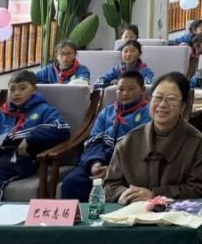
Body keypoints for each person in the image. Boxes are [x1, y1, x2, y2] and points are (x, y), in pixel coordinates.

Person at [104, 72, 202, 203]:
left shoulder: (198, 144)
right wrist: (125, 194)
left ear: (183, 105)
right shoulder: (128, 141)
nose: (162, 104)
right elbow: (110, 185)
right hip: (135, 212)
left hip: (178, 214)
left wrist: (155, 195)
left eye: (171, 99)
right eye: (158, 97)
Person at [0, 71, 70, 201]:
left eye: (23, 88)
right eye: (12, 89)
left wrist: (30, 139)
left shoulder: (44, 110)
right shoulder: (1, 113)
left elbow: (61, 129)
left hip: (20, 161)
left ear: (34, 90)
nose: (16, 93)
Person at [61, 71, 151, 201]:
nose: (125, 93)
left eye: (131, 89)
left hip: (128, 167)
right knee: (72, 182)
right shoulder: (106, 112)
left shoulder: (147, 114)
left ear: (142, 90)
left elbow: (141, 149)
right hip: (100, 160)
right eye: (120, 89)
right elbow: (94, 141)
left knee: (118, 187)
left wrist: (112, 170)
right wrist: (95, 163)